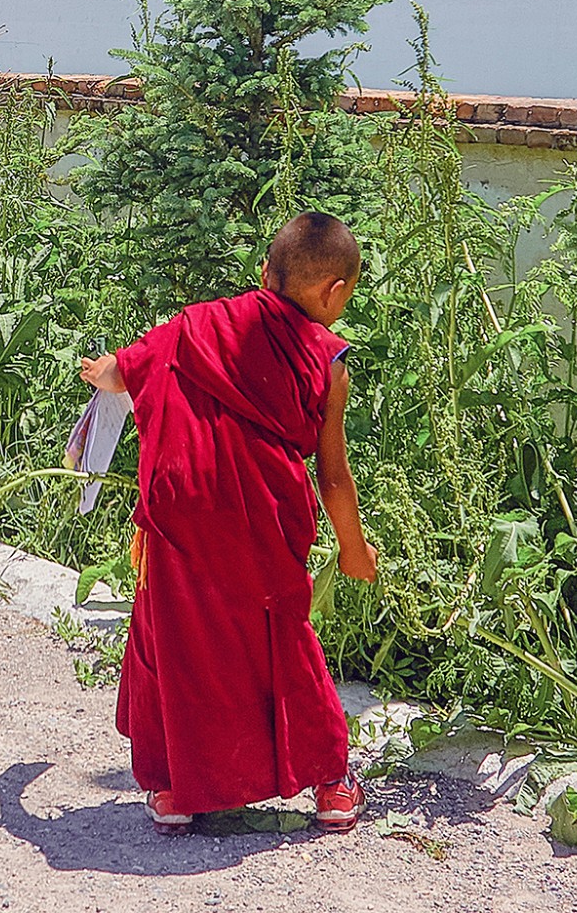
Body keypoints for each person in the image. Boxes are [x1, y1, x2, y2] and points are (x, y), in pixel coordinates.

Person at [79, 211, 379, 835]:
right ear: (337, 292)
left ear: (265, 273)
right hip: (261, 516)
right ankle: (330, 786)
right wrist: (354, 549)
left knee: (178, 639)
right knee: (282, 640)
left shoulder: (197, 326)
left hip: (184, 509)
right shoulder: (328, 361)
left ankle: (173, 792)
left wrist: (104, 371)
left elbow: (119, 372)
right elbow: (333, 474)